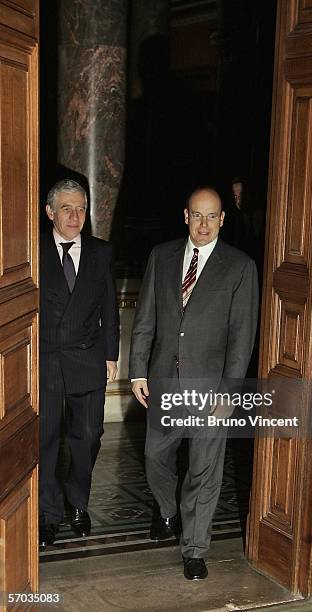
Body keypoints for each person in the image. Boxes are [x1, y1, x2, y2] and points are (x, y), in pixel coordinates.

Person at [129, 187, 258, 580]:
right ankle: (167, 511)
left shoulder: (239, 267)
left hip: (211, 388)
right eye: (197, 216)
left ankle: (196, 549)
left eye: (212, 217)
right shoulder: (162, 256)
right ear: (185, 216)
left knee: (204, 471)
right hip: (164, 384)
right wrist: (137, 371)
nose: (204, 225)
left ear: (223, 219)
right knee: (155, 459)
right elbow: (146, 320)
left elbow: (242, 336)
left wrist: (229, 391)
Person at [39, 179, 119, 548]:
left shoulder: (101, 252)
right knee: (46, 442)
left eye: (81, 209)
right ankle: (49, 514)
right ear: (50, 212)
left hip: (88, 359)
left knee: (87, 438)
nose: (75, 216)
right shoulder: (32, 248)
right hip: (47, 361)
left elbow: (109, 307)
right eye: (67, 209)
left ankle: (77, 504)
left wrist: (110, 355)